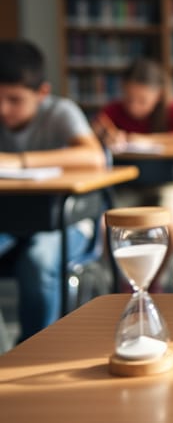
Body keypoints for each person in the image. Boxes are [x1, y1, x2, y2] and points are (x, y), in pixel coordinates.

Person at [0, 40, 106, 341]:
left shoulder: (61, 112)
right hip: (8, 220)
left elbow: (94, 156)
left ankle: (34, 347)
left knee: (39, 262)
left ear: (42, 93)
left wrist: (18, 162)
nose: (3, 109)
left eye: (14, 99)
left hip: (65, 220)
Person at [93, 58, 173, 286]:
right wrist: (103, 134)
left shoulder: (172, 110)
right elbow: (94, 131)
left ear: (158, 95)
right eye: (128, 98)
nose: (133, 106)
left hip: (168, 183)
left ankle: (154, 280)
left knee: (169, 223)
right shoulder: (114, 111)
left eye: (142, 100)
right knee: (105, 223)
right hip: (127, 185)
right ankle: (123, 282)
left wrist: (144, 139)